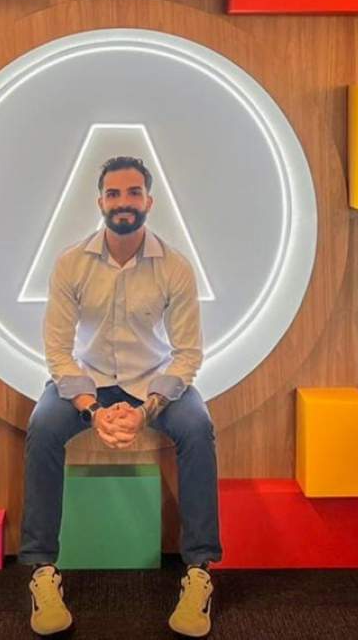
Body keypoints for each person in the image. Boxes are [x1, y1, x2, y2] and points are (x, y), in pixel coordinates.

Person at [20, 156, 222, 637]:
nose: (123, 202)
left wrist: (145, 410)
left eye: (133, 193)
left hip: (153, 382)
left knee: (198, 428)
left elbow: (187, 354)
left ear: (149, 201)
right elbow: (57, 352)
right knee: (42, 426)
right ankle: (42, 569)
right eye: (114, 193)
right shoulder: (71, 263)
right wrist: (91, 410)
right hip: (87, 381)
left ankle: (198, 571)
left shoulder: (175, 266)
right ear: (100, 202)